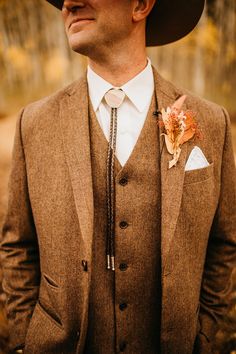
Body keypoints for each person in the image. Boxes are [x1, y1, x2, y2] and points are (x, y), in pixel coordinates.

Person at [0, 0, 235, 353]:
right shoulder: (32, 124)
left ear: (140, 5)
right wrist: (22, 341)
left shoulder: (213, 123)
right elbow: (17, 246)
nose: (68, 3)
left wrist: (206, 339)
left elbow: (224, 245)